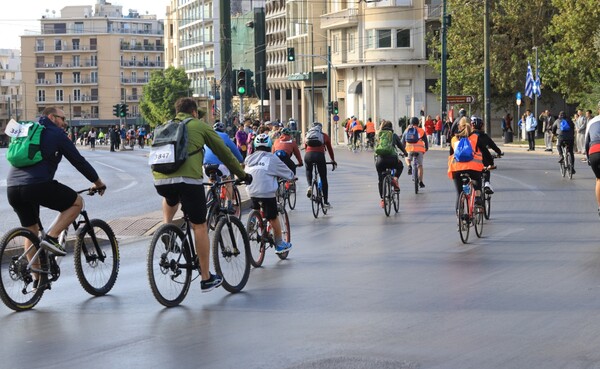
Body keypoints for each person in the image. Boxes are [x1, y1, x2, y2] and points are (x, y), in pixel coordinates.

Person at [152, 97, 251, 292]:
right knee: (199, 225)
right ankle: (206, 278)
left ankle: (167, 228)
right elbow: (223, 152)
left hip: (160, 180)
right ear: (194, 112)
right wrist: (242, 174)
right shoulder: (199, 125)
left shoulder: (166, 126)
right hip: (189, 180)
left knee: (171, 196)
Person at [7, 107, 106, 289]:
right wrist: (98, 182)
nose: (65, 123)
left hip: (12, 187)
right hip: (37, 185)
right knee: (77, 202)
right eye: (62, 118)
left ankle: (38, 279)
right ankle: (52, 238)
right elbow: (79, 161)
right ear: (52, 117)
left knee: (31, 230)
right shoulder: (56, 133)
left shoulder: (27, 129)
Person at [245, 133, 294, 253]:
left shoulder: (249, 158)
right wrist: (292, 177)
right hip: (266, 192)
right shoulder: (272, 158)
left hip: (250, 190)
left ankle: (252, 220)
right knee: (273, 217)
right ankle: (279, 244)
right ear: (269, 145)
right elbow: (288, 174)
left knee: (255, 203)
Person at [204, 121, 245, 213]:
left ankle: (210, 197)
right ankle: (229, 204)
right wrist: (241, 159)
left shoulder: (207, 136)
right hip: (220, 164)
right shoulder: (225, 136)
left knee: (211, 181)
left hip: (207, 164)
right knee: (227, 181)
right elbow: (235, 150)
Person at [447, 117, 485, 212]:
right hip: (473, 168)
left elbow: (451, 154)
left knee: (459, 193)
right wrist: (489, 164)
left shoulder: (454, 139)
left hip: (456, 168)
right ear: (471, 126)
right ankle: (477, 198)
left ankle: (460, 216)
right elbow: (485, 153)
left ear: (459, 126)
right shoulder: (475, 138)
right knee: (477, 180)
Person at [375, 120, 408, 208]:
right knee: (400, 166)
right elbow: (401, 146)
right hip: (392, 160)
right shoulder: (393, 135)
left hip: (380, 160)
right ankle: (395, 179)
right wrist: (405, 153)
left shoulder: (379, 135)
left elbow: (375, 148)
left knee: (380, 179)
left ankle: (382, 199)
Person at [304, 122, 337, 209]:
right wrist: (332, 160)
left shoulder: (308, 134)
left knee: (308, 170)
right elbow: (330, 149)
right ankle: (325, 202)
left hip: (308, 156)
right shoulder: (324, 135)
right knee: (323, 178)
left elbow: (305, 146)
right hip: (319, 156)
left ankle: (309, 186)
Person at [470, 116, 503, 194]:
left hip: (470, 160)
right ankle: (486, 183)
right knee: (487, 169)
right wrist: (499, 153)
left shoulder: (469, 136)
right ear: (481, 126)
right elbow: (493, 146)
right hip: (482, 160)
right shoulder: (484, 136)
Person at [402, 116, 428, 188]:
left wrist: (404, 149)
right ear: (418, 123)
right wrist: (426, 148)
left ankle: (409, 166)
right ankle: (421, 182)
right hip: (419, 149)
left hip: (409, 149)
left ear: (410, 123)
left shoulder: (407, 130)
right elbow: (425, 141)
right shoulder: (421, 130)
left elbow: (402, 141)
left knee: (406, 157)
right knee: (420, 166)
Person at [584, 102, 600, 217]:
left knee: (599, 179)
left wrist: (588, 158)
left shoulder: (591, 121)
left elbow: (586, 142)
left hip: (594, 151)